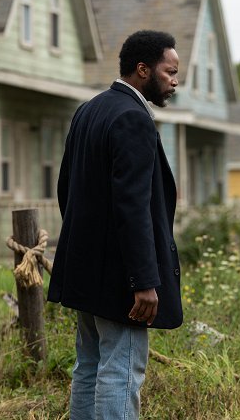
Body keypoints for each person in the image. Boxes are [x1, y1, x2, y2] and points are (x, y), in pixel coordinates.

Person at [48, 30, 183, 419]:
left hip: (84, 271)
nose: (174, 81)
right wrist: (143, 281)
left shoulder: (89, 110)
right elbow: (133, 208)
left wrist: (87, 249)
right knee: (121, 371)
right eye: (169, 72)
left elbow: (65, 190)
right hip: (121, 281)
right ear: (143, 70)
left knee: (88, 366)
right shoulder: (132, 118)